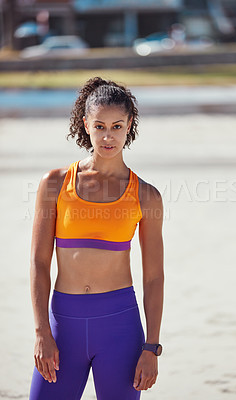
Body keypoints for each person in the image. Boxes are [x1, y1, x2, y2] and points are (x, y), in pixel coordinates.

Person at [28, 76, 164, 400]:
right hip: (63, 325)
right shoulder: (55, 183)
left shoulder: (146, 196)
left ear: (130, 125)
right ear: (85, 123)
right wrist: (41, 332)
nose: (108, 135)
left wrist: (152, 347)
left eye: (117, 126)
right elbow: (38, 262)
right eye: (100, 125)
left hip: (120, 327)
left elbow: (155, 276)